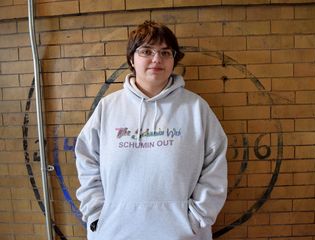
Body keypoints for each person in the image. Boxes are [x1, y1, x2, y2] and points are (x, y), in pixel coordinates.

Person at [75, 20, 228, 240]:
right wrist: (97, 213)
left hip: (182, 234)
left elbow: (215, 167)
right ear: (131, 58)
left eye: (165, 53)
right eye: (146, 51)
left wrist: (198, 217)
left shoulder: (196, 108)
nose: (157, 59)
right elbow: (86, 159)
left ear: (173, 60)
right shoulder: (108, 108)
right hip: (113, 232)